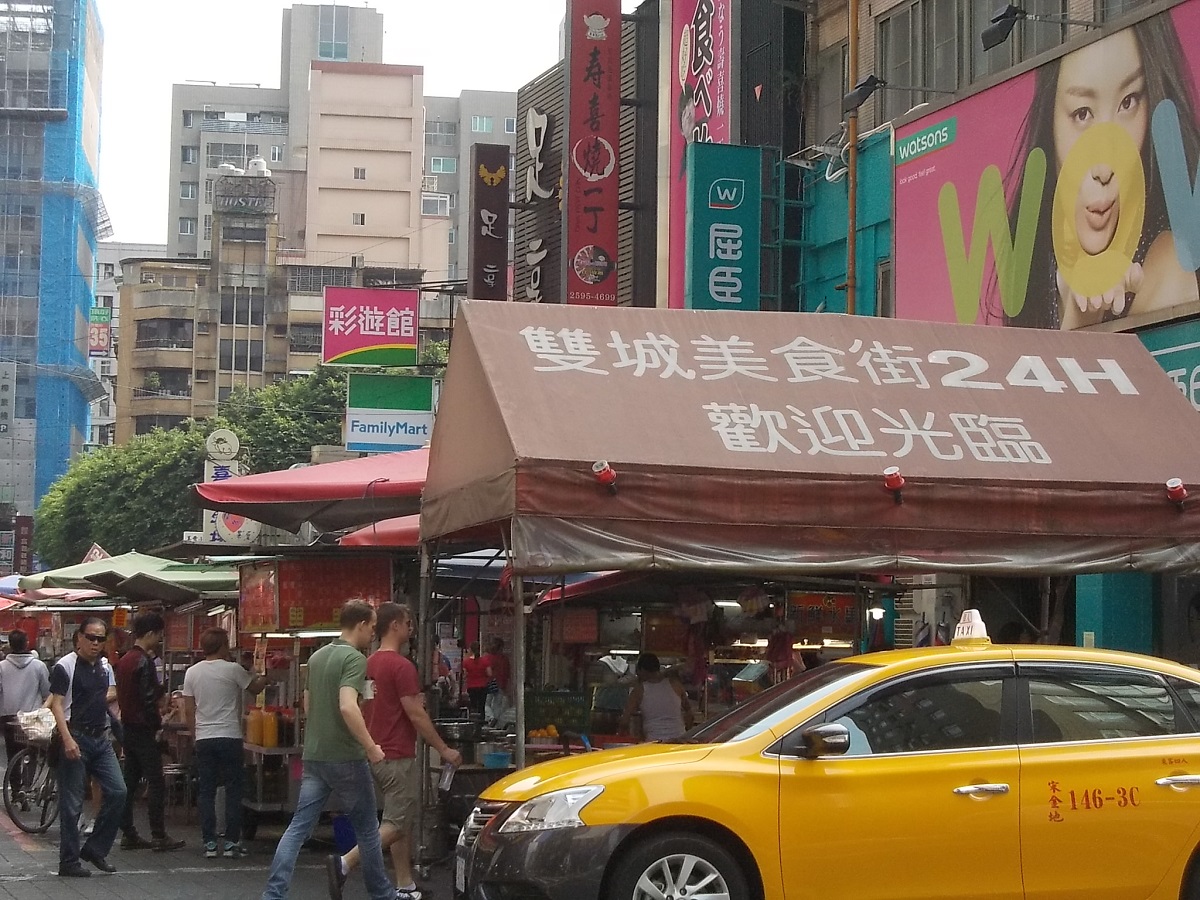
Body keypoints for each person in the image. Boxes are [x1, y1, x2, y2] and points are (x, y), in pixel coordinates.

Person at [1004, 14, 1200, 330]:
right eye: (1082, 114)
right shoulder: (1037, 263)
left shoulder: (1172, 265)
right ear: (1050, 123)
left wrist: (1083, 322)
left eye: (1128, 102)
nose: (1104, 168)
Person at [326, 603, 462, 900]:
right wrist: (443, 748)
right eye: (408, 623)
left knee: (398, 818)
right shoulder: (402, 666)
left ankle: (405, 883)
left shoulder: (368, 663)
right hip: (396, 753)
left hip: (372, 750)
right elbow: (415, 714)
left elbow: (363, 705)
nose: (411, 630)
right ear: (395, 625)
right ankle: (344, 863)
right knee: (397, 823)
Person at [261, 600, 395, 900]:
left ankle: (273, 894)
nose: (373, 634)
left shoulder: (318, 657)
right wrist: (370, 746)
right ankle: (382, 893)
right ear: (361, 624)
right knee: (367, 829)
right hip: (346, 756)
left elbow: (309, 706)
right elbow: (347, 706)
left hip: (315, 755)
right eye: (372, 627)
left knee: (298, 828)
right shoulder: (355, 659)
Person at [49, 618, 128, 878]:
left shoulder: (104, 667)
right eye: (91, 637)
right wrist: (67, 739)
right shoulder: (65, 666)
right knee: (72, 805)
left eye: (100, 638)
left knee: (118, 791)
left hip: (100, 738)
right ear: (79, 638)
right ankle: (69, 861)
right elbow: (57, 704)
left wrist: (116, 731)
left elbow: (104, 699)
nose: (95, 643)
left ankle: (95, 849)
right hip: (76, 736)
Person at [182, 627, 267, 859]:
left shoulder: (192, 673)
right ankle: (231, 842)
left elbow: (189, 710)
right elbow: (256, 688)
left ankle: (209, 843)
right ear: (222, 646)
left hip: (204, 738)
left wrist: (195, 735)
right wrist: (263, 673)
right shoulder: (233, 669)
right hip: (229, 736)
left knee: (206, 791)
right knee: (233, 790)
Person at [114, 612, 185, 853]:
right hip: (143, 729)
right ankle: (158, 835)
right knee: (156, 781)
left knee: (130, 782)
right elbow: (147, 699)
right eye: (159, 634)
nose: (160, 639)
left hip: (128, 728)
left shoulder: (125, 660)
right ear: (151, 633)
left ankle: (128, 832)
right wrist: (157, 725)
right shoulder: (143, 661)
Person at [0, 628, 50, 769]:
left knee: (12, 754)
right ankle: (28, 780)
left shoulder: (2, 667)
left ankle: (14, 782)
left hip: (8, 717)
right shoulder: (39, 666)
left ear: (10, 645)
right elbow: (47, 691)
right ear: (27, 643)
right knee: (32, 753)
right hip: (32, 717)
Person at [618, 653, 694, 743]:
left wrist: (623, 735)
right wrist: (687, 732)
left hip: (654, 742)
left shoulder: (639, 690)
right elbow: (689, 713)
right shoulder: (675, 684)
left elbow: (624, 721)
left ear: (642, 670)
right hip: (679, 740)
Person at [460, 642, 490, 720]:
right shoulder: (485, 661)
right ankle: (481, 721)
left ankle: (473, 720)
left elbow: (464, 675)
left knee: (473, 705)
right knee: (481, 706)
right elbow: (489, 673)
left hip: (471, 686)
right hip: (483, 686)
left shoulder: (466, 662)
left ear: (471, 650)